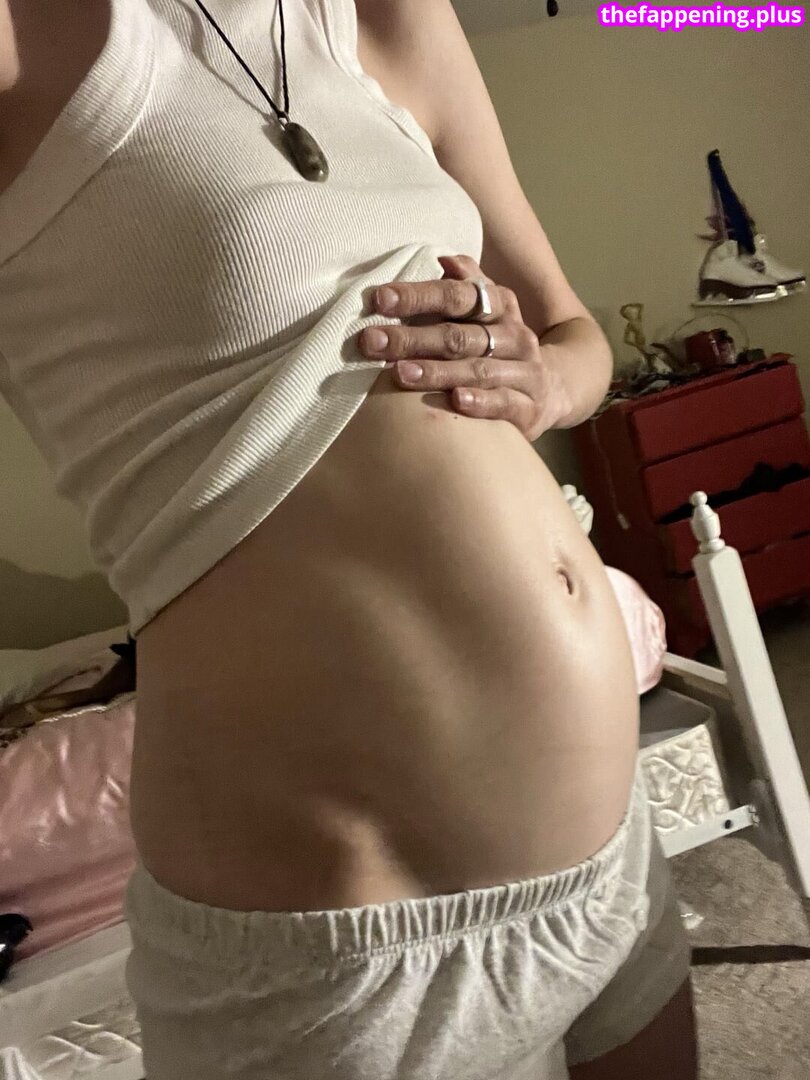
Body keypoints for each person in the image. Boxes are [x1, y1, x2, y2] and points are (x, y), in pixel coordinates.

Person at [0, 1, 697, 1076]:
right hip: (336, 938)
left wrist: (547, 377)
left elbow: (575, 335)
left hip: (605, 849)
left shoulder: (394, 17)